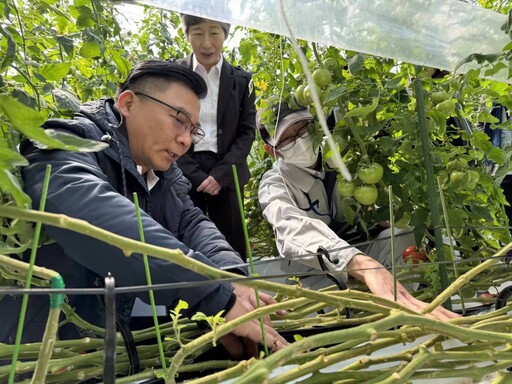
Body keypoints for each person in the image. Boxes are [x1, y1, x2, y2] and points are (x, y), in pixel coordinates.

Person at [1, 61, 286, 357]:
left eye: (193, 130)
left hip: (99, 348)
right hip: (33, 352)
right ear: (128, 103)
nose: (186, 140)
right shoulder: (65, 142)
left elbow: (193, 226)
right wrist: (214, 296)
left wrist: (231, 278)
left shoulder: (164, 179)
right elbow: (93, 213)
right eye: (178, 120)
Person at [257, 102, 459, 320]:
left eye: (304, 128)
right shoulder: (275, 185)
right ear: (272, 150)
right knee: (334, 314)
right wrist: (358, 263)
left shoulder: (345, 151)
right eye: (288, 139)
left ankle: (404, 305)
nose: (301, 140)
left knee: (403, 235)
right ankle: (377, 309)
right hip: (313, 270)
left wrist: (381, 216)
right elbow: (291, 228)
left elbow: (378, 195)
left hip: (361, 247)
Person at [173, 15, 256, 261]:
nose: (206, 43)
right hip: (184, 169)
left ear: (225, 34)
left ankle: (238, 293)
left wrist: (219, 176)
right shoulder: (174, 75)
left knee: (233, 245)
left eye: (214, 33)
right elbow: (167, 127)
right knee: (187, 243)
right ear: (187, 35)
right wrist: (196, 176)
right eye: (198, 33)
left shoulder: (241, 80)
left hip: (227, 174)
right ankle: (193, 296)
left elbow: (246, 132)